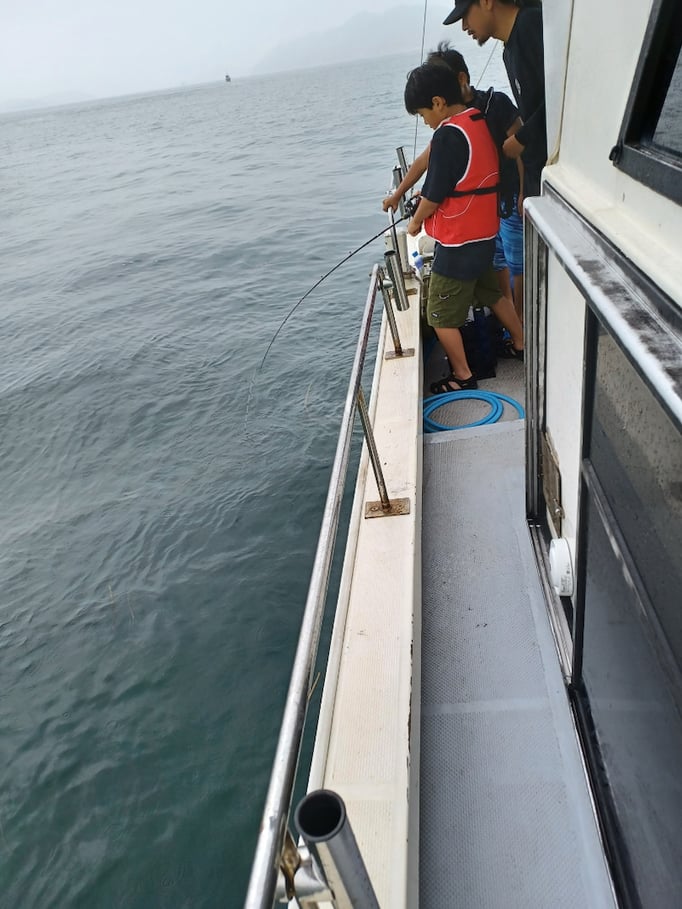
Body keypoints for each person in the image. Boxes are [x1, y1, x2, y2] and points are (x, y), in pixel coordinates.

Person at [402, 63, 524, 393]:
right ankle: (521, 343)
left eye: (423, 114)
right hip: (485, 232)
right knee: (492, 293)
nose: (425, 121)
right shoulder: (476, 120)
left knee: (439, 314)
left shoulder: (447, 135)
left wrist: (414, 223)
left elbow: (433, 195)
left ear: (438, 102)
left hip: (458, 243)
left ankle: (463, 374)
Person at [383, 43, 525, 318]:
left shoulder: (493, 105)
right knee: (496, 263)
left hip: (507, 195)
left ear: (458, 79)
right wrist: (398, 194)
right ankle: (512, 324)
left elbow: (522, 148)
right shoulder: (451, 119)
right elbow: (425, 160)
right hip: (481, 208)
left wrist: (524, 190)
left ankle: (520, 319)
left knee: (516, 261)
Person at [444, 0, 547, 200]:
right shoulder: (508, 51)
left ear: (486, 2)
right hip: (538, 176)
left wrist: (522, 138)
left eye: (465, 15)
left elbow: (559, 97)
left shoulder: (530, 25)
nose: (464, 26)